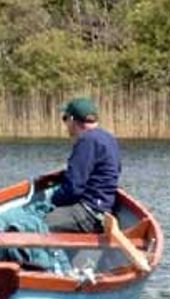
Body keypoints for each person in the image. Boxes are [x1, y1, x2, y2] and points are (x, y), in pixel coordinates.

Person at [45, 97, 121, 233]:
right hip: (103, 210)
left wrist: (50, 202)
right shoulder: (108, 138)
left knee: (34, 221)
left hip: (88, 214)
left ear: (73, 120)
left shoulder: (86, 140)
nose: (65, 124)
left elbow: (73, 189)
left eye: (65, 118)